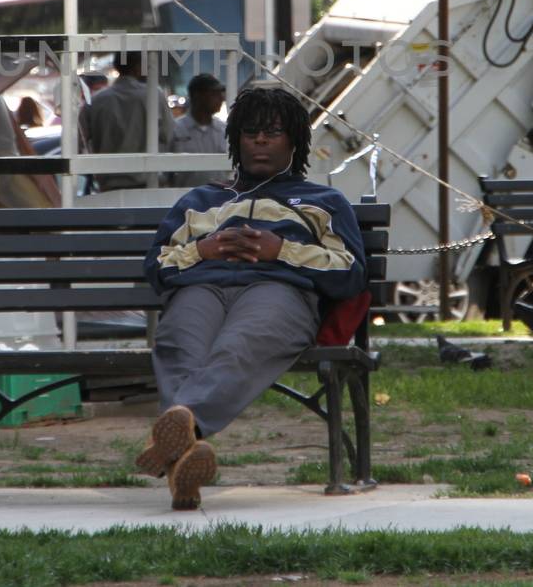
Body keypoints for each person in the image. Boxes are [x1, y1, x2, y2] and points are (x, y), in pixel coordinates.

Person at [138, 85, 366, 510]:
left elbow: (349, 272)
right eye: (250, 132)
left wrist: (280, 250)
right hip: (201, 287)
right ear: (236, 140)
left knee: (238, 347)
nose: (260, 140)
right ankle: (184, 456)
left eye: (273, 132)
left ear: (294, 141)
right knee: (177, 345)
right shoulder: (200, 201)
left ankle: (178, 432)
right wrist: (202, 250)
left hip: (279, 292)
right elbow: (158, 267)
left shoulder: (323, 202)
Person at [80, 53, 174, 191]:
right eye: (147, 66)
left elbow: (78, 141)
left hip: (108, 188)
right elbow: (168, 135)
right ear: (137, 67)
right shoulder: (154, 95)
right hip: (148, 185)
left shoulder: (96, 101)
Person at [165, 73, 227, 188]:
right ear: (197, 95)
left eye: (221, 93)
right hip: (183, 199)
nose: (221, 98)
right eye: (214, 93)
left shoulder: (223, 130)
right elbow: (163, 172)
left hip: (220, 200)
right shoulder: (174, 130)